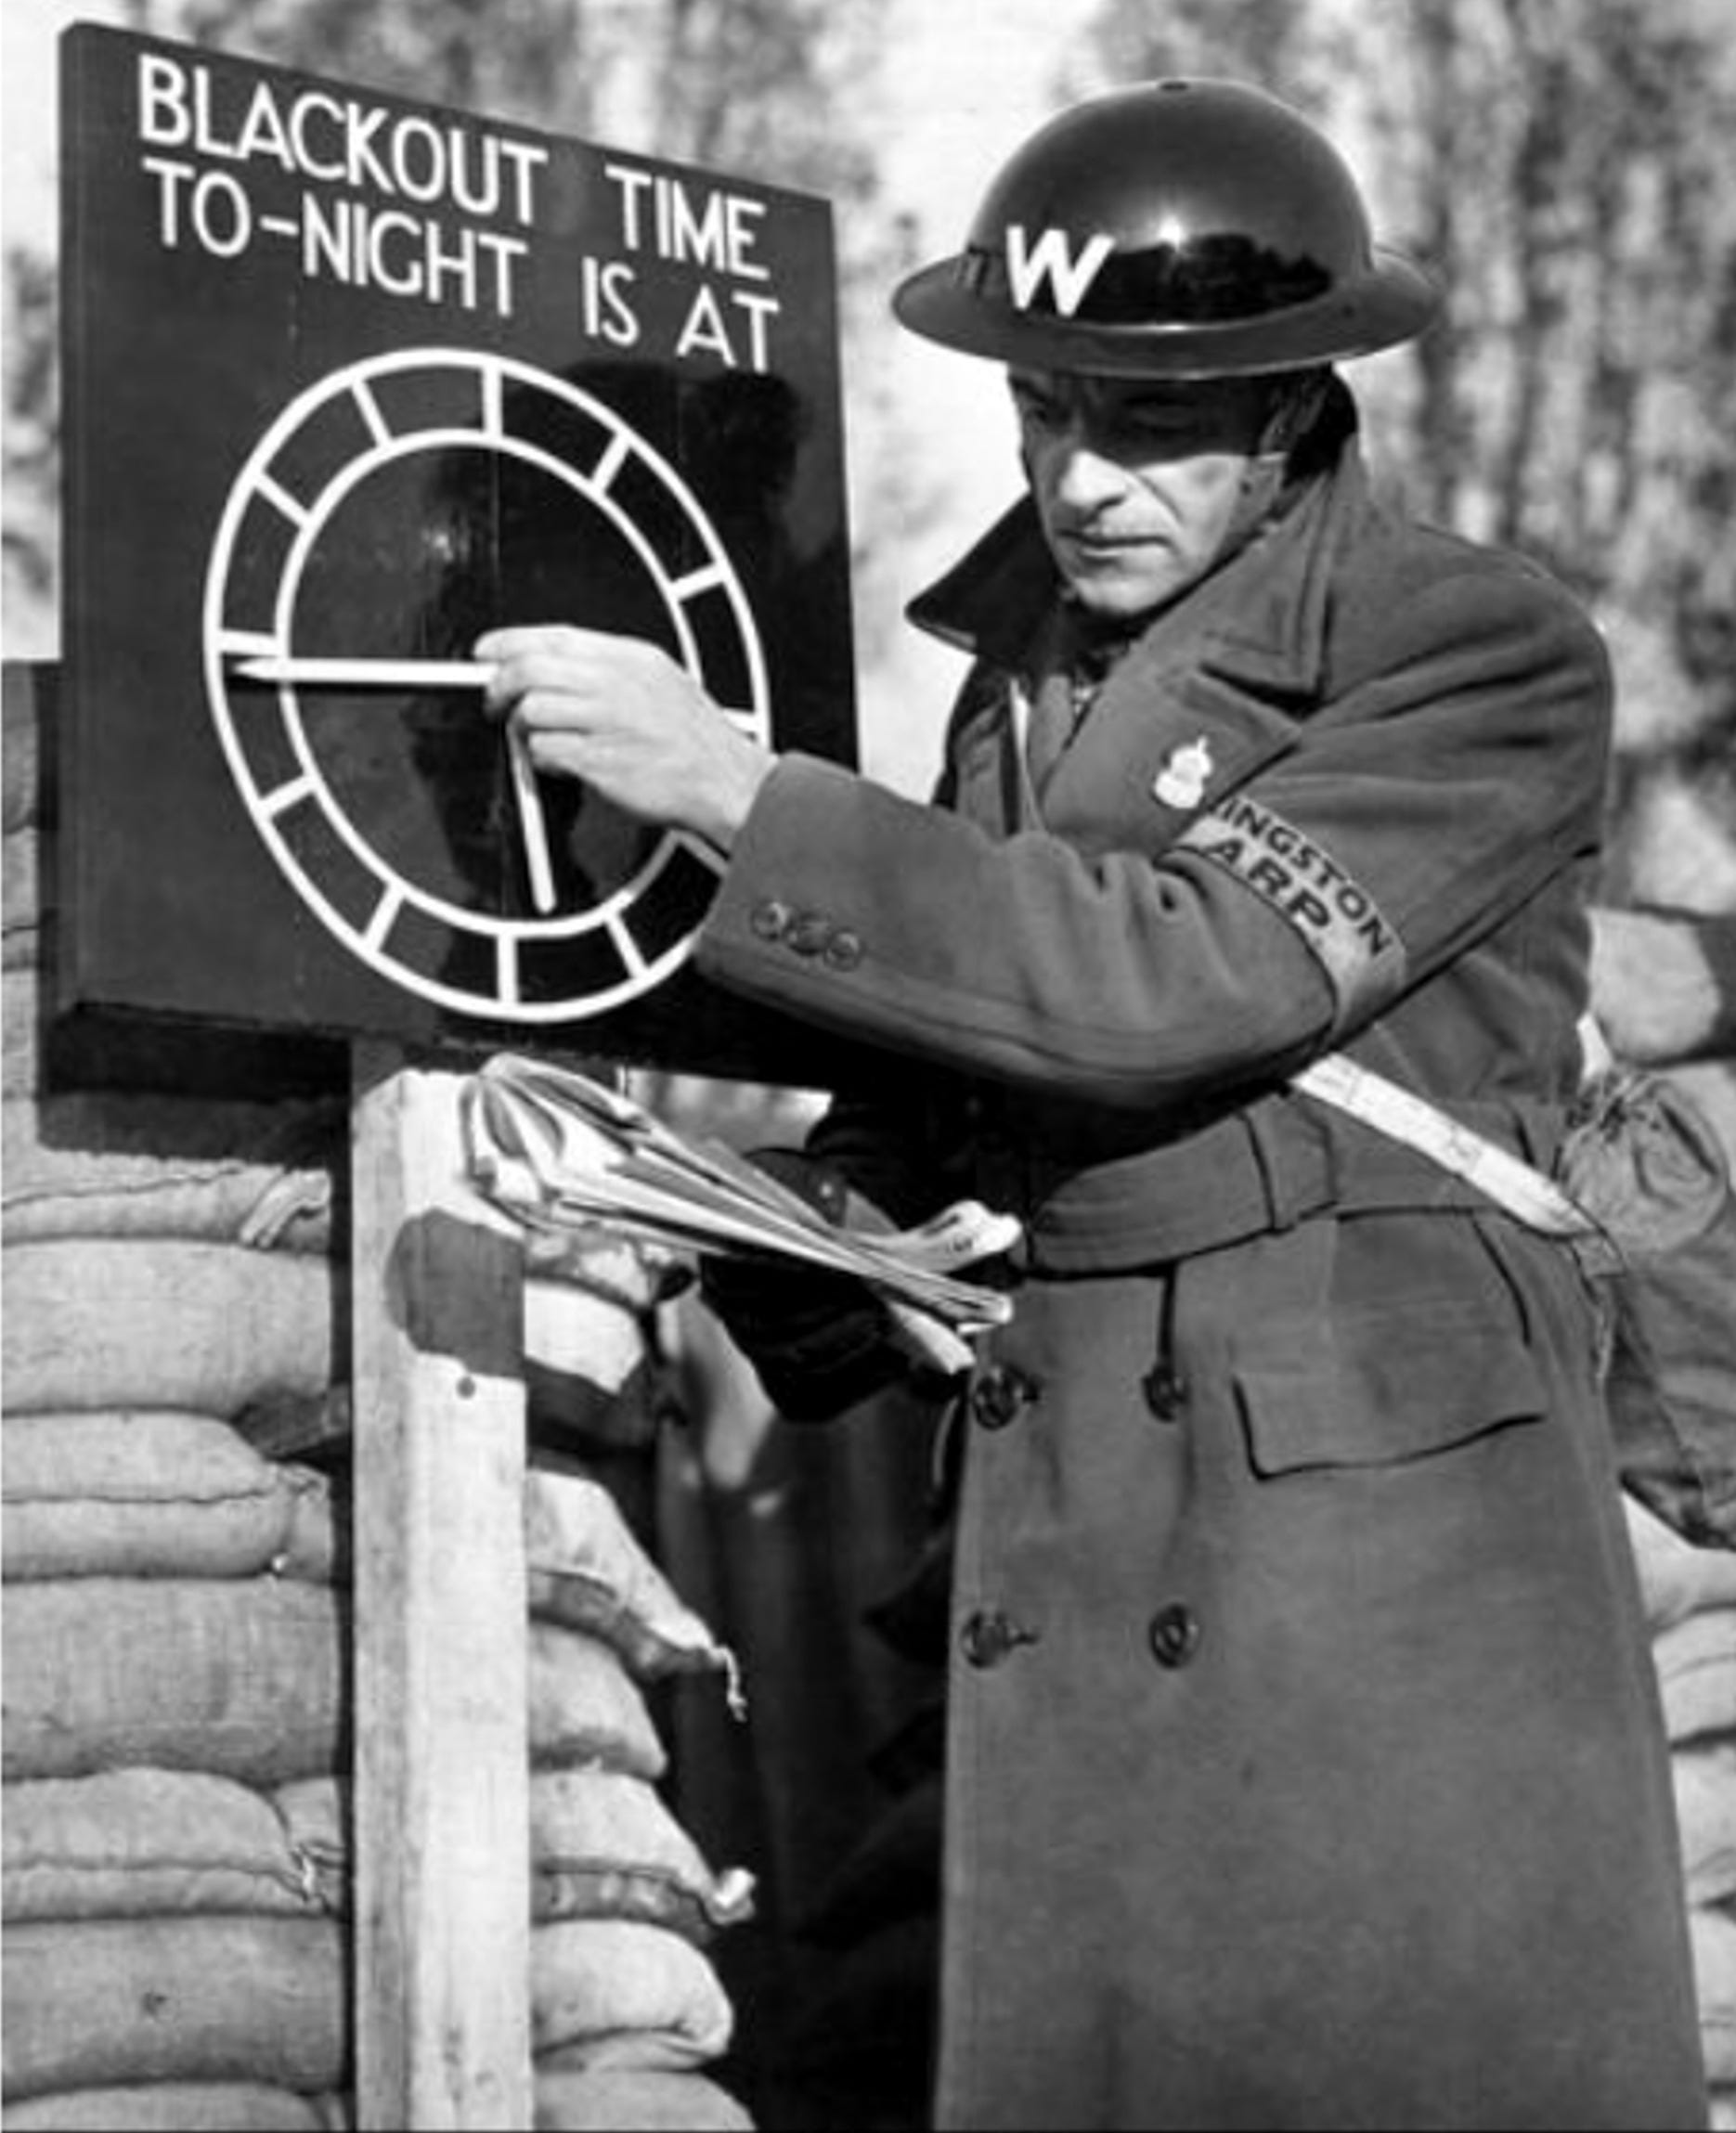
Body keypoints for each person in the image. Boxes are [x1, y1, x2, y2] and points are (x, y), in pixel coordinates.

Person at [480, 78, 1711, 2133]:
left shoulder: (1470, 650)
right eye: (1048, 409)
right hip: (1085, 1524)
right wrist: (819, 1241)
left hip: (1369, 1583)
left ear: (1292, 406)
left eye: (1147, 422)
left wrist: (733, 794)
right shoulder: (1028, 677)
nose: (1079, 477)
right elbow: (978, 1043)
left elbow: (1168, 980)